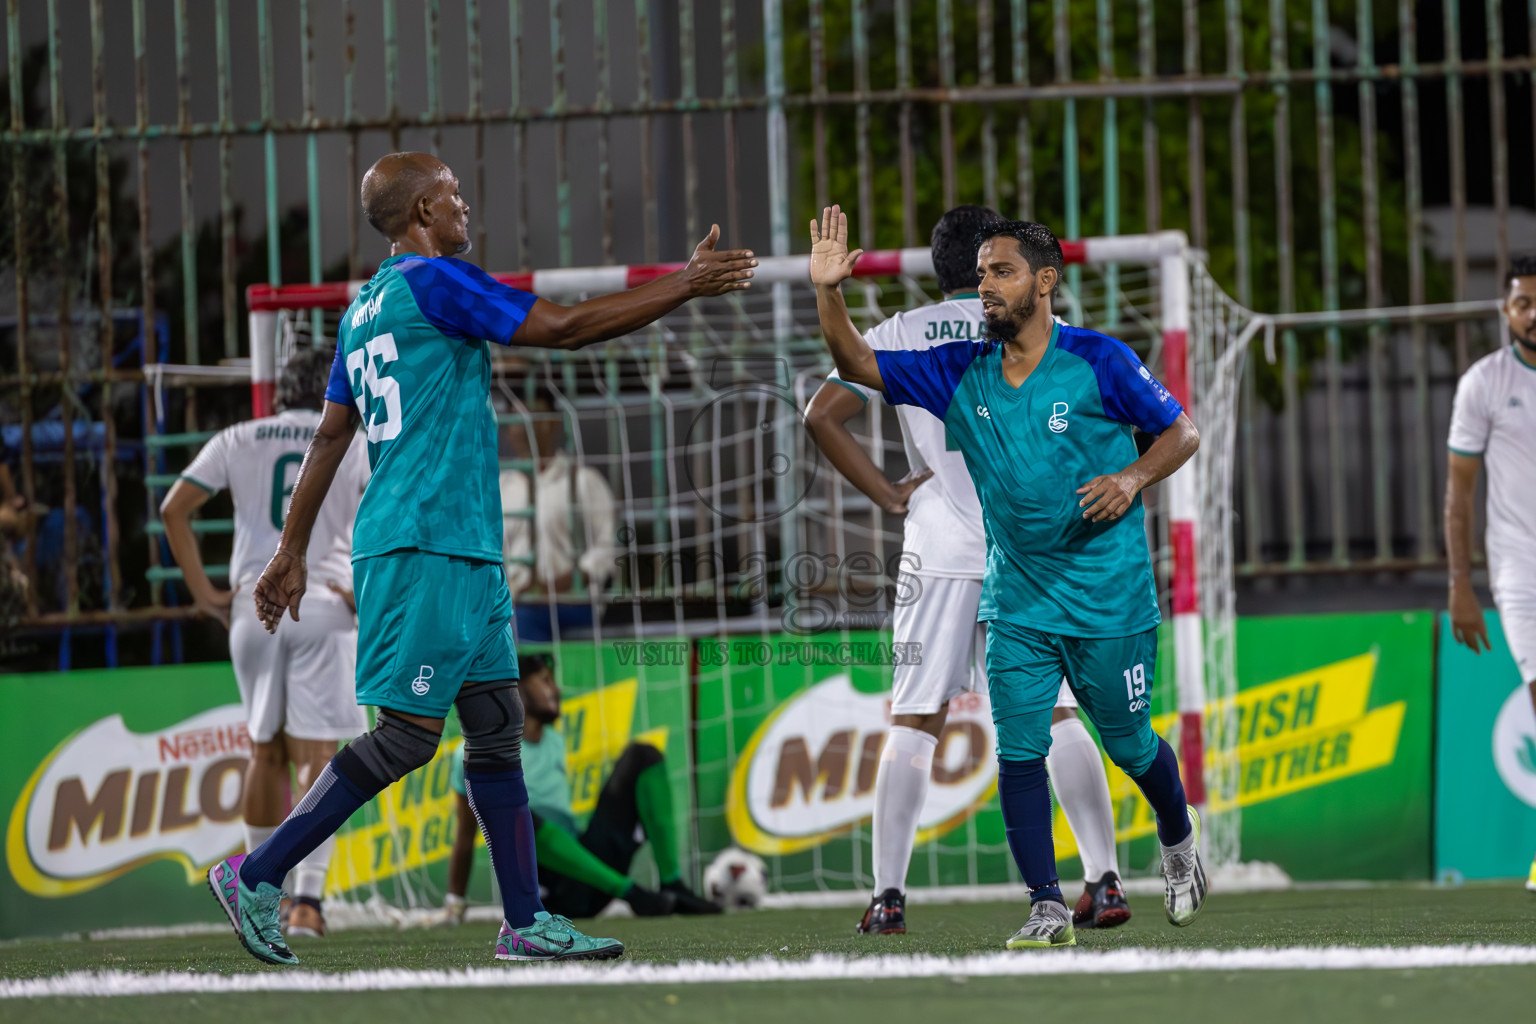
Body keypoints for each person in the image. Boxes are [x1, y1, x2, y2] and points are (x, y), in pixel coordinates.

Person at [206, 151, 756, 967]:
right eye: (456, 196)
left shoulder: (362, 310)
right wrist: (684, 284)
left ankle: (525, 920)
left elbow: (331, 435)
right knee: (406, 739)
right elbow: (563, 329)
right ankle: (257, 874)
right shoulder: (436, 283)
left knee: (497, 726)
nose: (467, 209)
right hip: (426, 544)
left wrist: (290, 551)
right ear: (424, 209)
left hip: (460, 546)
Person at [809, 206, 1204, 949]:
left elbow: (1181, 430)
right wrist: (828, 292)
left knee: (1112, 740)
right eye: (984, 270)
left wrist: (1132, 477)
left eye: (1004, 271)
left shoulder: (1094, 358)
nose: (987, 285)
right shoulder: (962, 366)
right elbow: (857, 370)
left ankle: (1175, 842)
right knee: (1027, 739)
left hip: (1072, 583)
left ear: (1042, 280)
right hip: (1011, 584)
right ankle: (1062, 897)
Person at [163, 347, 369, 939]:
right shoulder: (349, 439)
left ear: (280, 391)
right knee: (317, 756)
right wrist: (362, 586)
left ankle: (258, 892)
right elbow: (382, 510)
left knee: (263, 753)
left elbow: (174, 509)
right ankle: (307, 902)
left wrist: (205, 593)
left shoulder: (238, 437)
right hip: (323, 601)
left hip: (252, 606)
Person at [439, 652, 718, 923]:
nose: (556, 689)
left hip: (587, 876)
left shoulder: (554, 740)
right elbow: (465, 836)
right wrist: (455, 902)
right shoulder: (473, 754)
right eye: (545, 680)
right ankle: (631, 893)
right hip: (545, 892)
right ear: (516, 691)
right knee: (515, 813)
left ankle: (673, 885)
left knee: (643, 756)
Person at [1445, 253, 1536, 895]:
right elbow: (1459, 492)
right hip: (1519, 563)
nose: (1532, 313)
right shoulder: (1483, 382)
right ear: (1506, 311)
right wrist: (1460, 584)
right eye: (1522, 303)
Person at [500, 389, 619, 642]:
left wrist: (568, 579)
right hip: (516, 603)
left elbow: (607, 546)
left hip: (574, 602)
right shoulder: (499, 488)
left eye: (534, 416)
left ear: (553, 422)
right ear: (508, 430)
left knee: (518, 625)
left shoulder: (583, 481)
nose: (524, 426)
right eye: (516, 419)